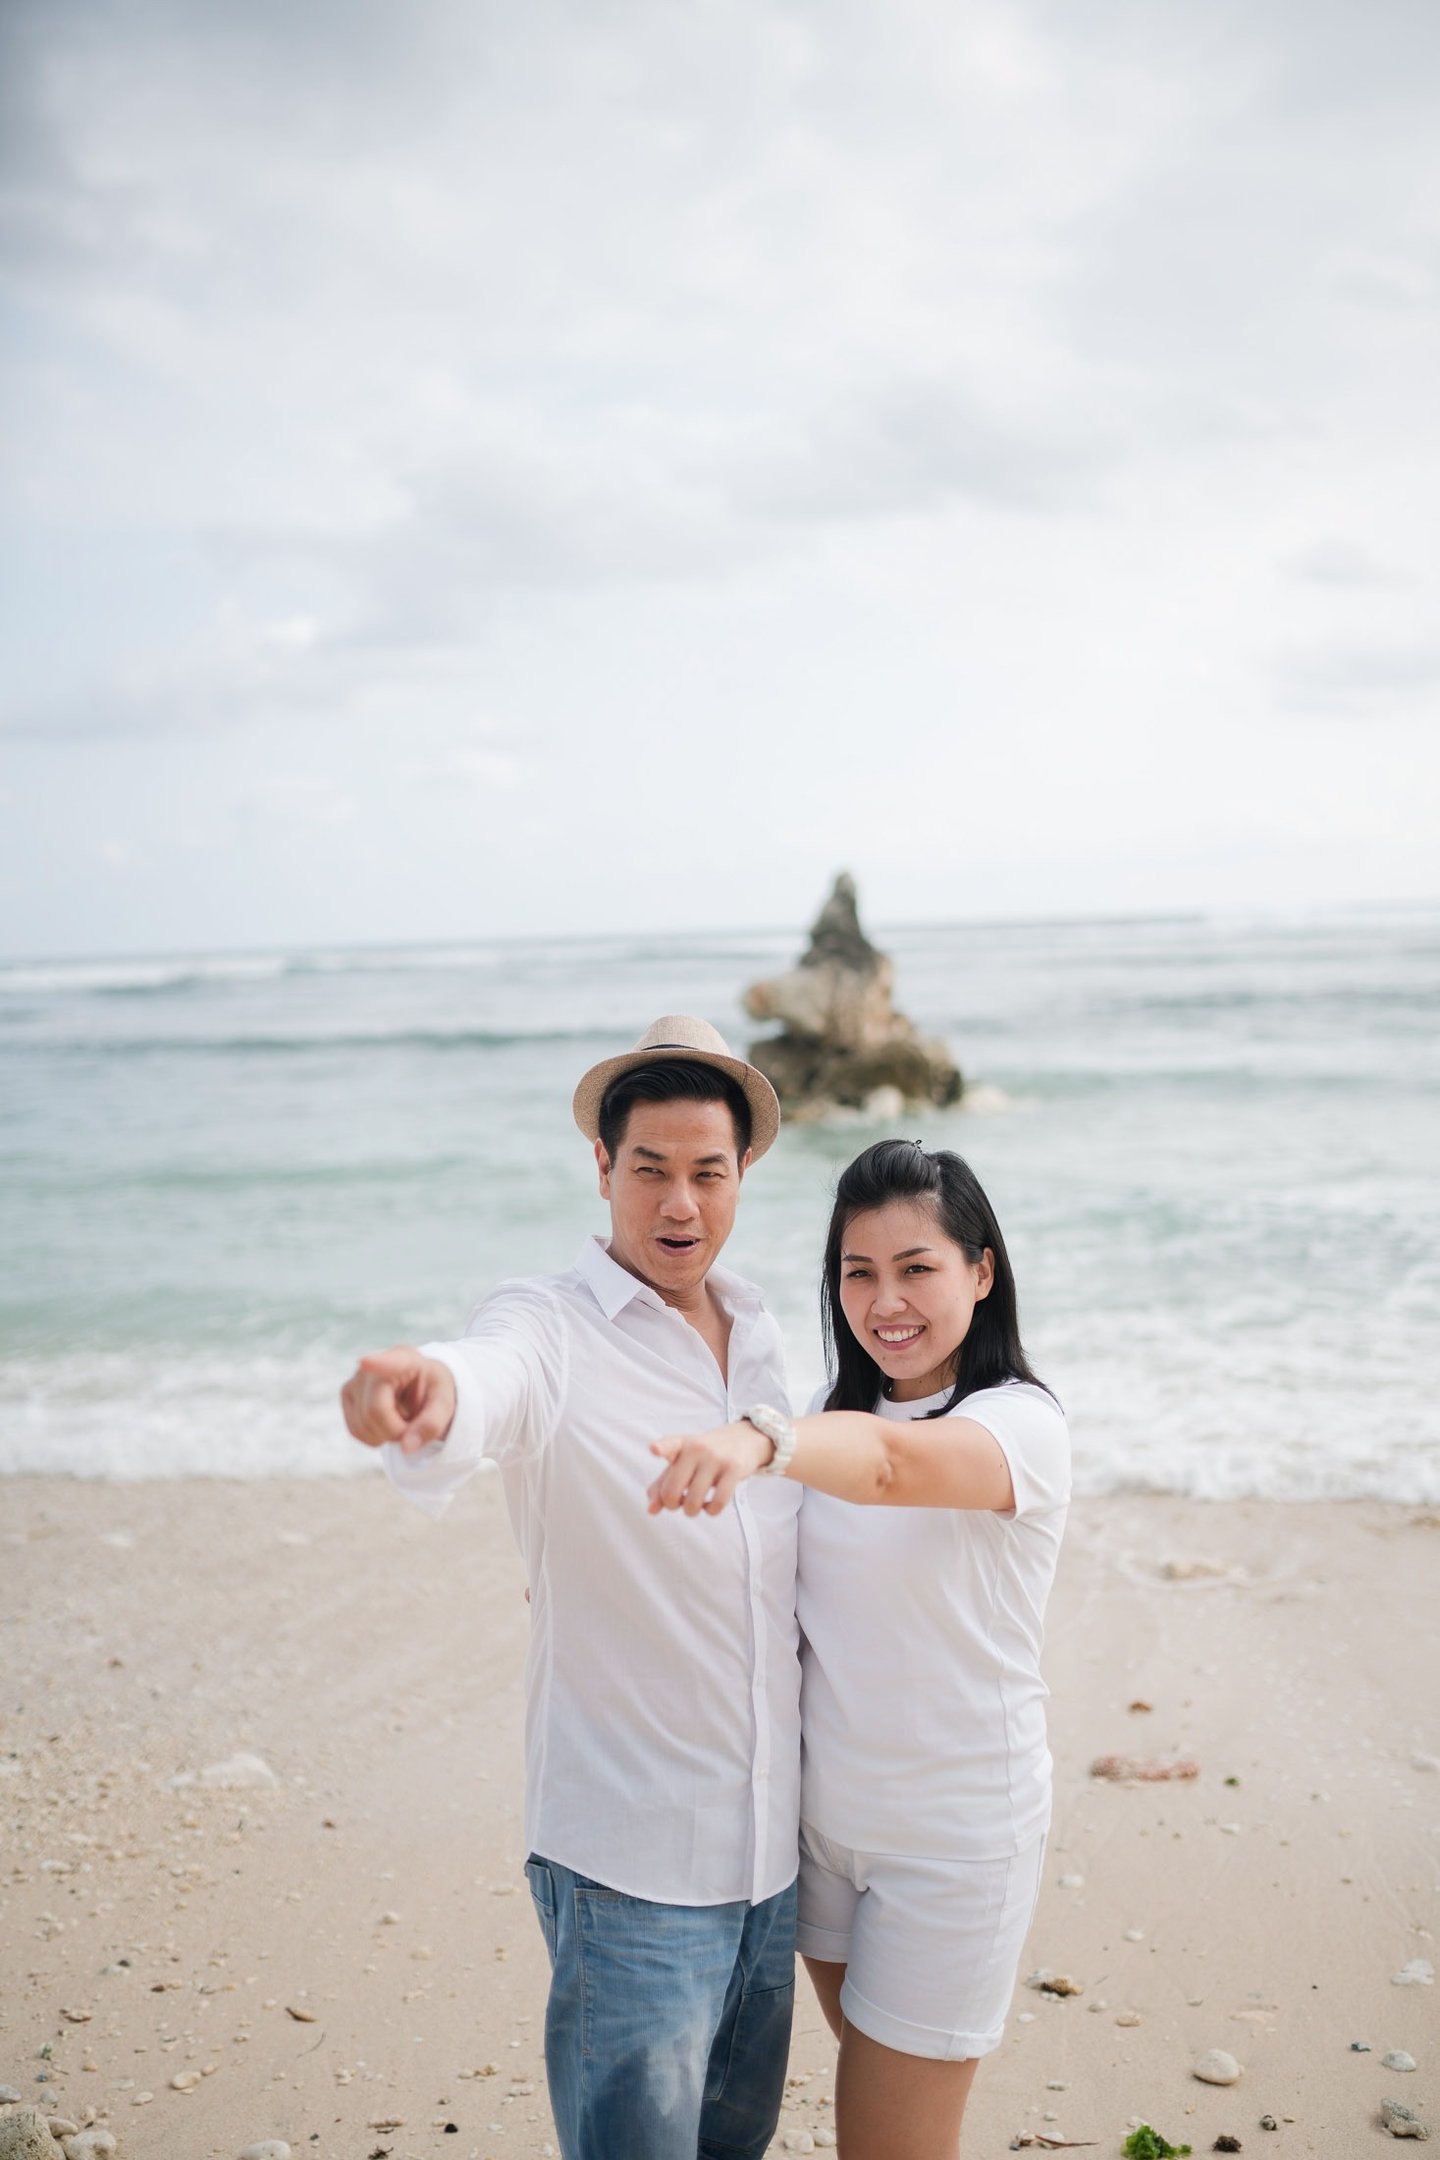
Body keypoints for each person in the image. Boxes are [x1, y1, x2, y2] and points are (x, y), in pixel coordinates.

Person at [340, 1017, 804, 2160]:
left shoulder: (765, 1336)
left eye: (708, 1171)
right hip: (631, 1867)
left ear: (745, 1171)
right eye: (650, 1170)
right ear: (602, 1168)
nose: (679, 1204)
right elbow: (488, 1377)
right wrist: (428, 1394)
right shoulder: (548, 1324)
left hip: (773, 1865)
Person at [648, 1138, 1070, 2160]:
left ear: (981, 1270)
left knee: (883, 2143)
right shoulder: (835, 1420)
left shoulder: (1018, 1427)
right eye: (858, 1271)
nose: (887, 1301)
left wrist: (759, 1437)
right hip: (820, 1838)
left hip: (954, 1840)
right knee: (897, 2123)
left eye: (918, 1268)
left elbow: (889, 1468)